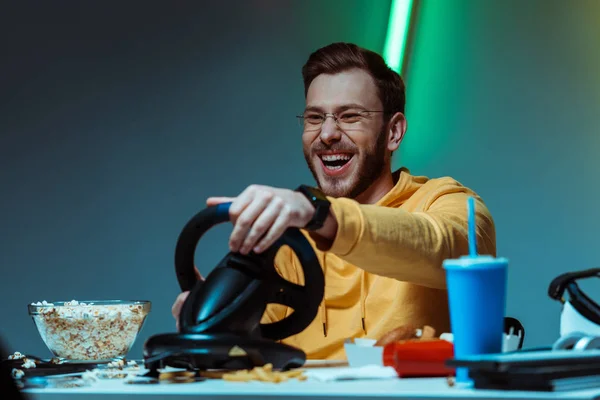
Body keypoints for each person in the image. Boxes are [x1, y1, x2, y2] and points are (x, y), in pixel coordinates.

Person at [172, 42, 496, 360]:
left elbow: (450, 246)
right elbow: (260, 357)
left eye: (350, 116)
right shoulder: (285, 238)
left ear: (394, 132)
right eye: (315, 118)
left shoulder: (448, 202)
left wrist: (320, 215)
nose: (327, 134)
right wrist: (218, 326)